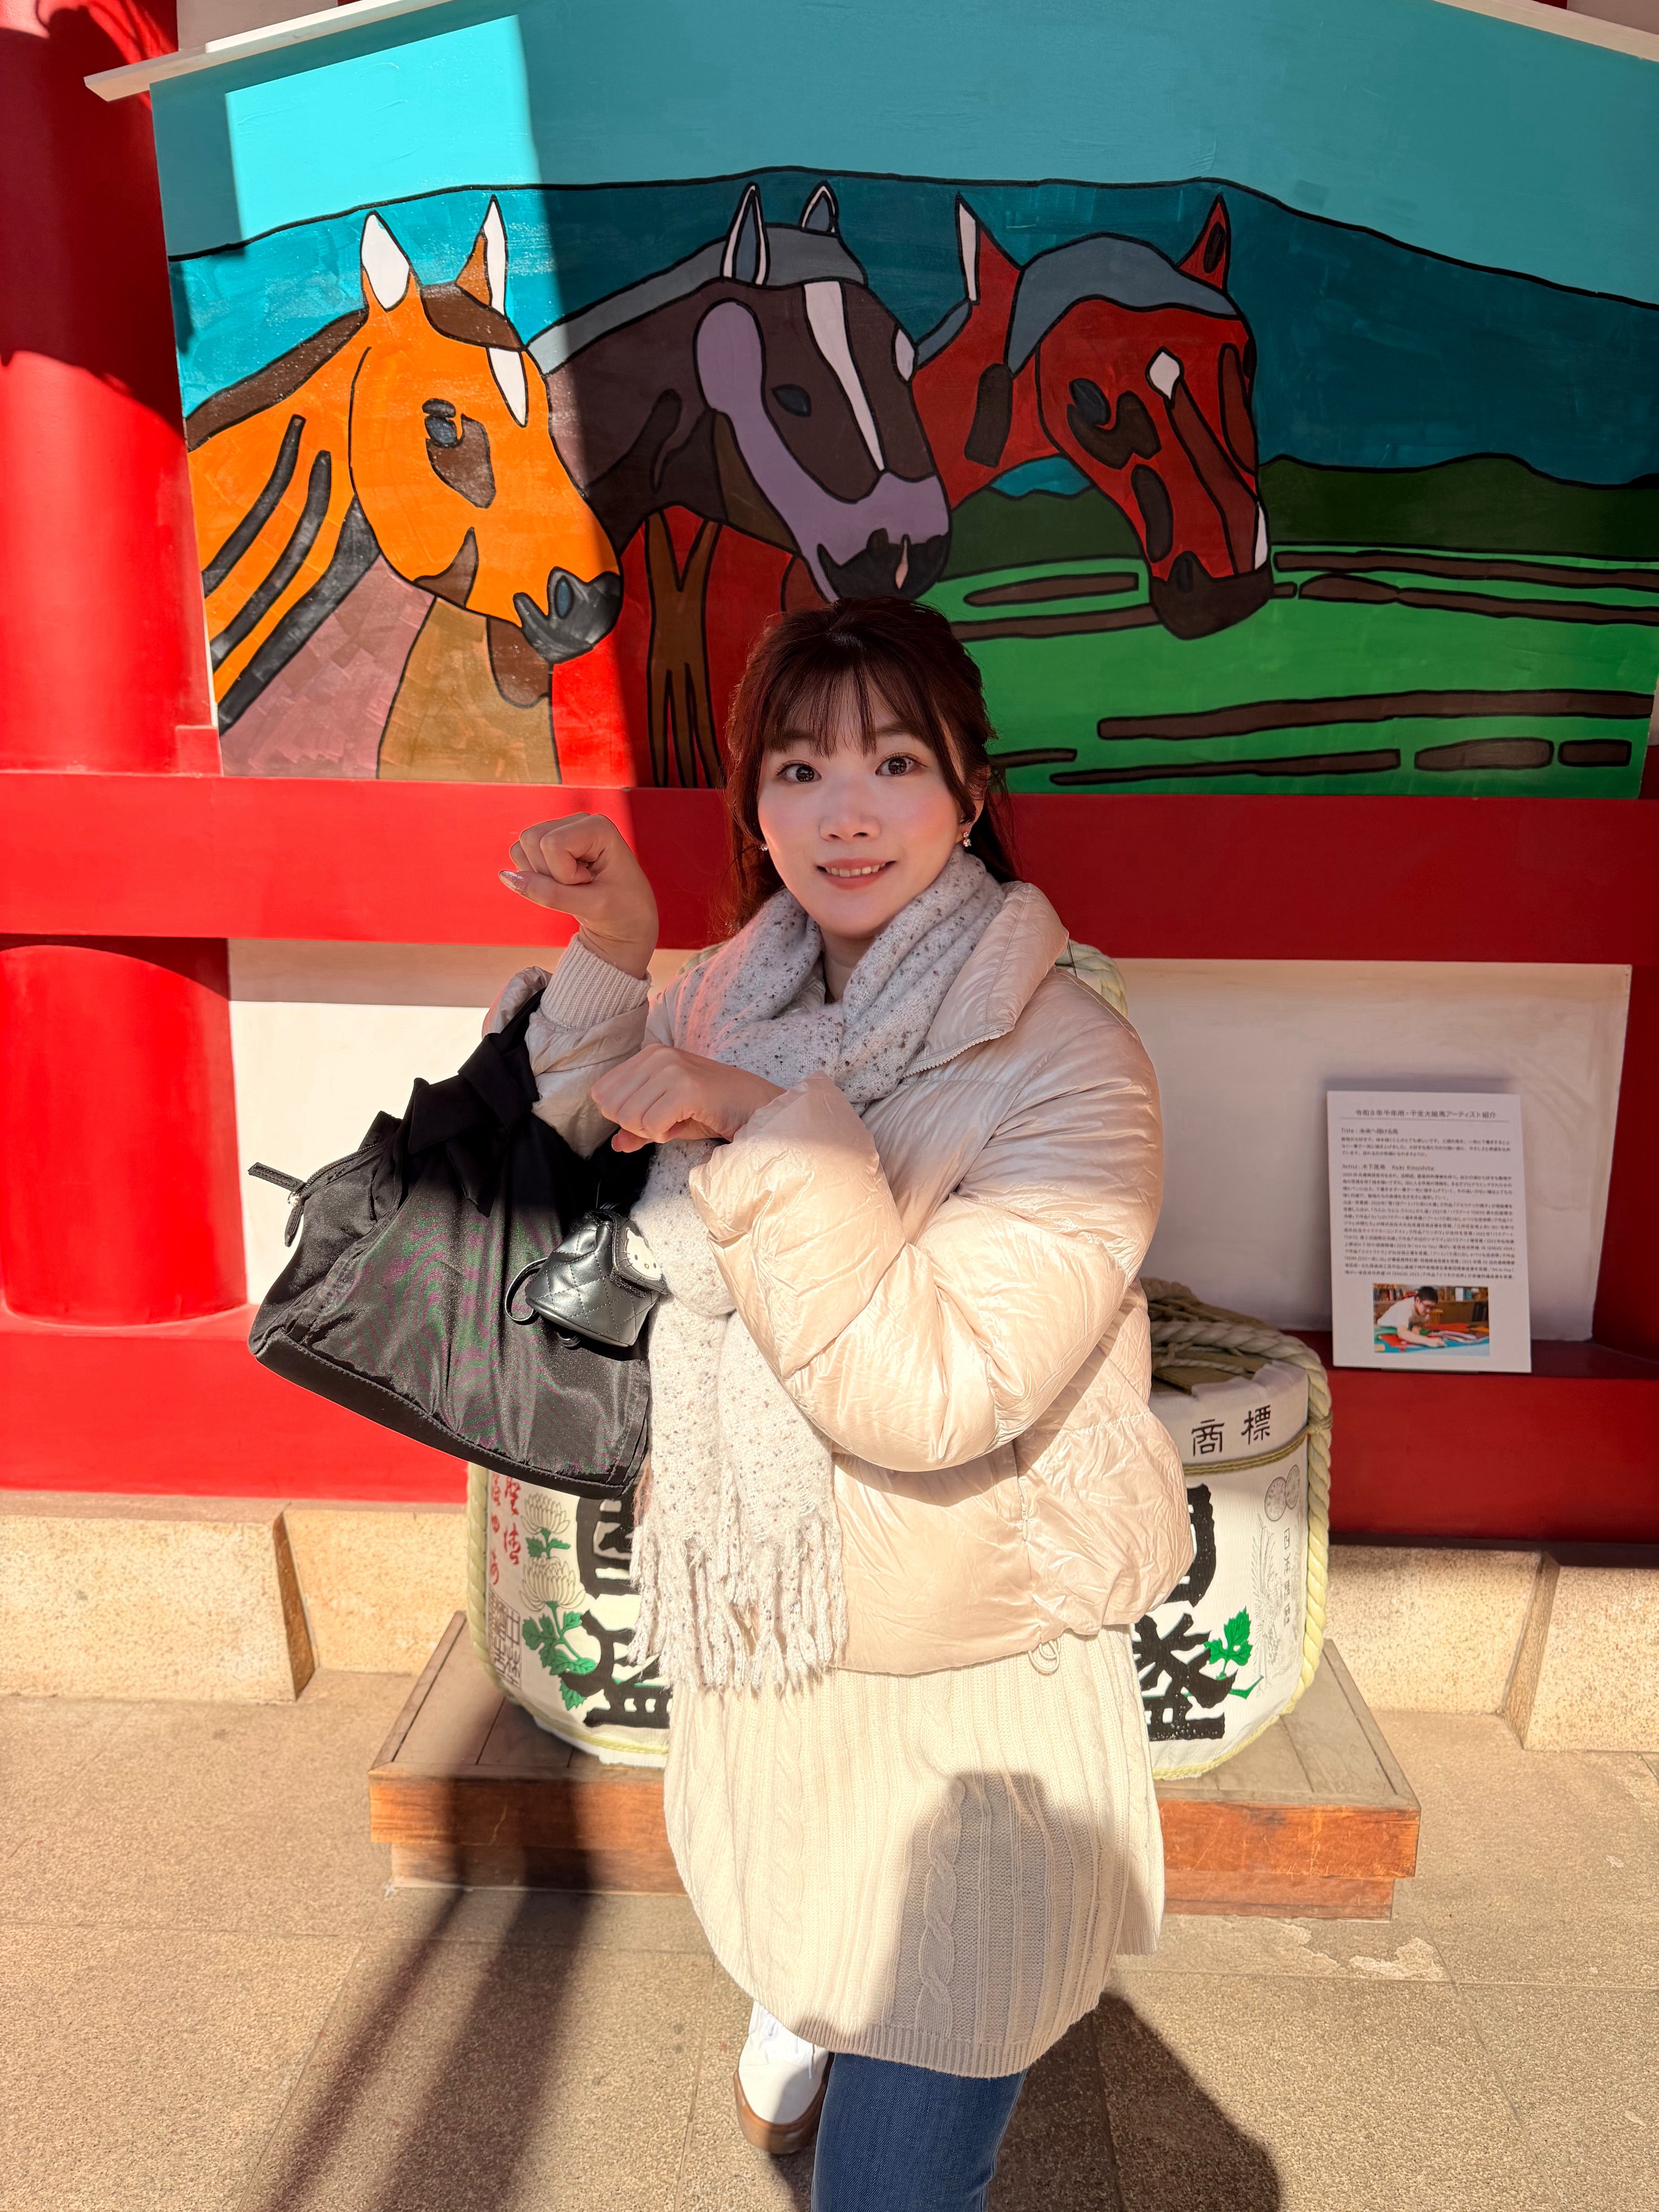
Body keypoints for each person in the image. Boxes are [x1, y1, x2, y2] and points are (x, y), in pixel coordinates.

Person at [491, 597, 1191, 2212]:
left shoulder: (1069, 1058)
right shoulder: (732, 993)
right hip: (770, 1658)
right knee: (798, 1947)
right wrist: (615, 956)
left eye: (893, 762)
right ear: (753, 807)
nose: (844, 812)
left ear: (971, 789)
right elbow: (571, 1150)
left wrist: (763, 1124)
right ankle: (797, 2013)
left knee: (894, 2175)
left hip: (967, 1694)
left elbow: (929, 1392)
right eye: (798, 769)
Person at [1374, 1287, 1442, 1345]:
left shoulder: (1425, 1313)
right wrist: (1429, 1341)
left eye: (1432, 1308)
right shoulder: (1405, 1307)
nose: (1428, 1311)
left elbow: (1419, 1322)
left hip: (1403, 1328)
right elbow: (1402, 1334)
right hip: (1385, 1329)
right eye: (1427, 1306)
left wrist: (1416, 1327)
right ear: (1418, 1300)